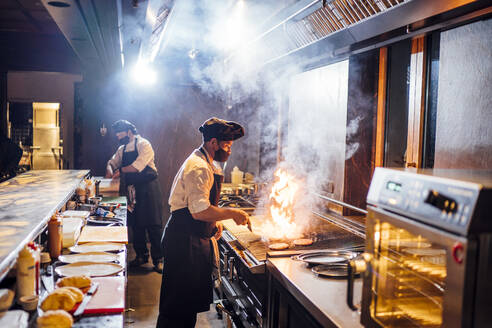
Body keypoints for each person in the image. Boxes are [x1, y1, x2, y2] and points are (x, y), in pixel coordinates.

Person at [157, 117, 250, 327]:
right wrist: (232, 213)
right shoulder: (199, 166)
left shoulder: (206, 162)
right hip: (184, 242)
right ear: (213, 143)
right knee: (177, 308)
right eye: (226, 145)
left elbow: (196, 205)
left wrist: (213, 223)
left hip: (192, 239)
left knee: (185, 307)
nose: (229, 150)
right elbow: (199, 212)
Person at [105, 120, 164, 273]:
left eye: (120, 134)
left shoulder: (144, 144)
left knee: (153, 224)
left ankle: (159, 259)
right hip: (132, 189)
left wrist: (121, 171)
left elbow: (138, 166)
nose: (118, 137)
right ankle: (141, 256)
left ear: (129, 131)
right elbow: (112, 162)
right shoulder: (122, 149)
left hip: (149, 188)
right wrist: (110, 168)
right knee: (136, 223)